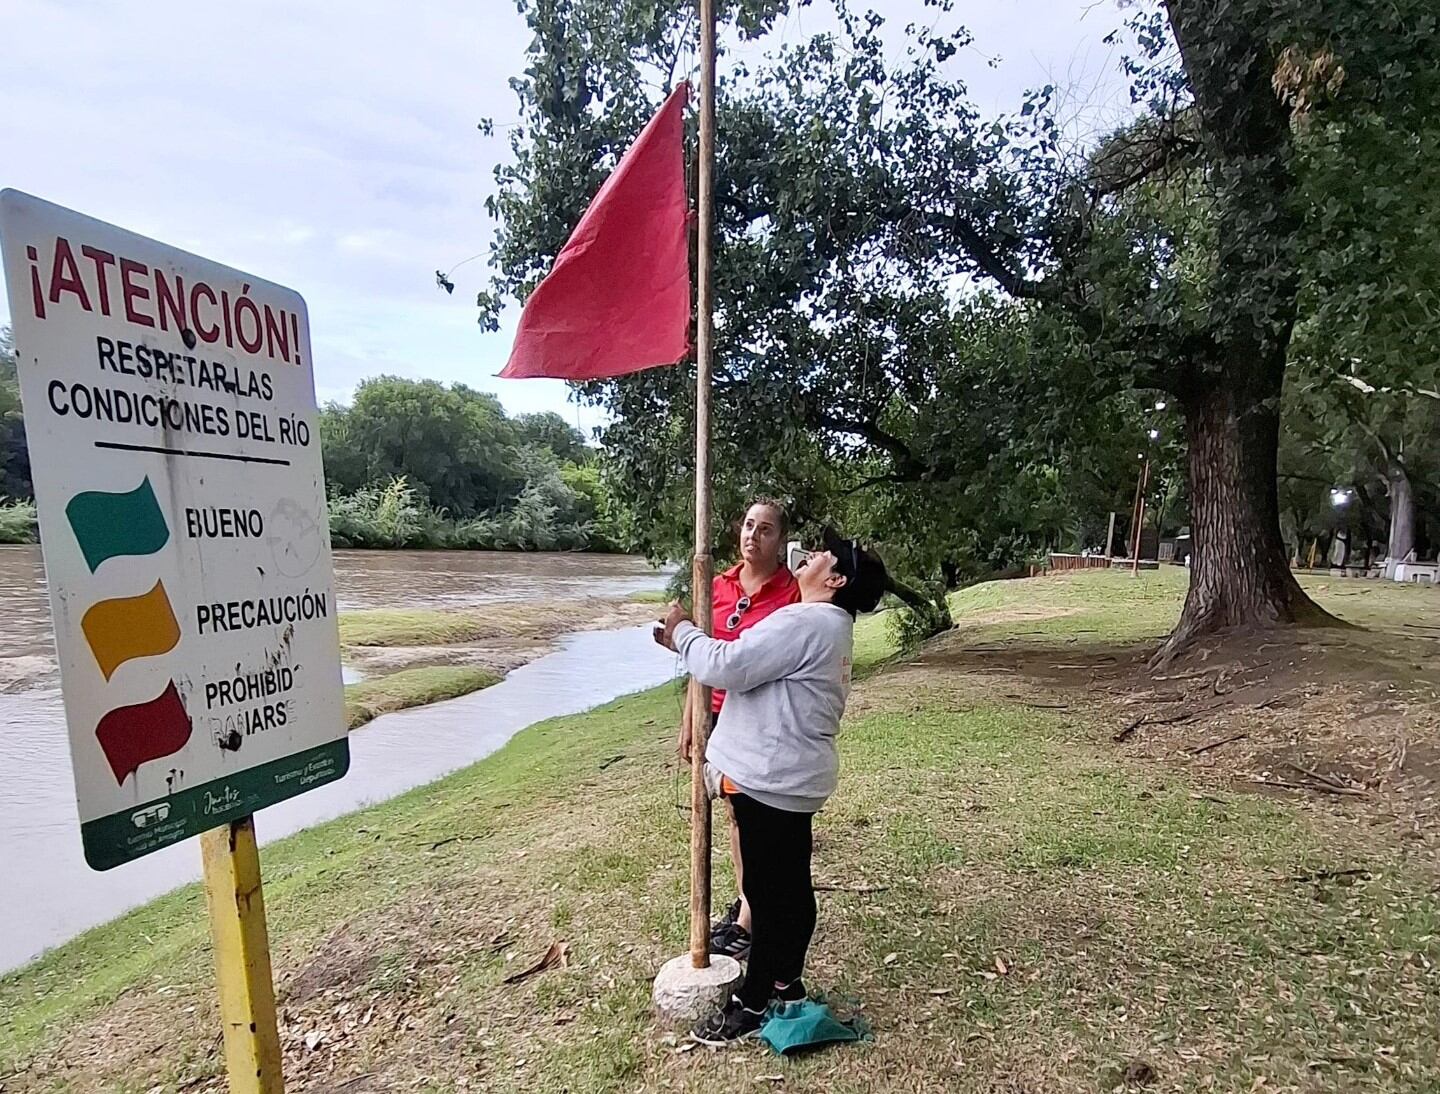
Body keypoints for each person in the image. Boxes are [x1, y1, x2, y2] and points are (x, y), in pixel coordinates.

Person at [657, 529, 888, 1044]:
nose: (814, 553)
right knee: (785, 887)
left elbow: (728, 666)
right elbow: (744, 664)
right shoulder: (826, 624)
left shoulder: (806, 621)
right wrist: (690, 640)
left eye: (826, 554)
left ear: (835, 579)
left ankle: (753, 1000)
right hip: (786, 776)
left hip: (771, 778)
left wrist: (683, 634)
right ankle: (787, 985)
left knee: (767, 893)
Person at [678, 498, 800, 960]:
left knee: (751, 817)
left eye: (765, 529)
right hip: (713, 715)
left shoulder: (791, 593)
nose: (753, 535)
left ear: (780, 539)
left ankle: (750, 917)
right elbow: (699, 656)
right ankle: (749, 903)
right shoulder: (719, 584)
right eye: (749, 525)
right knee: (732, 813)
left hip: (757, 720)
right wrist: (690, 718)